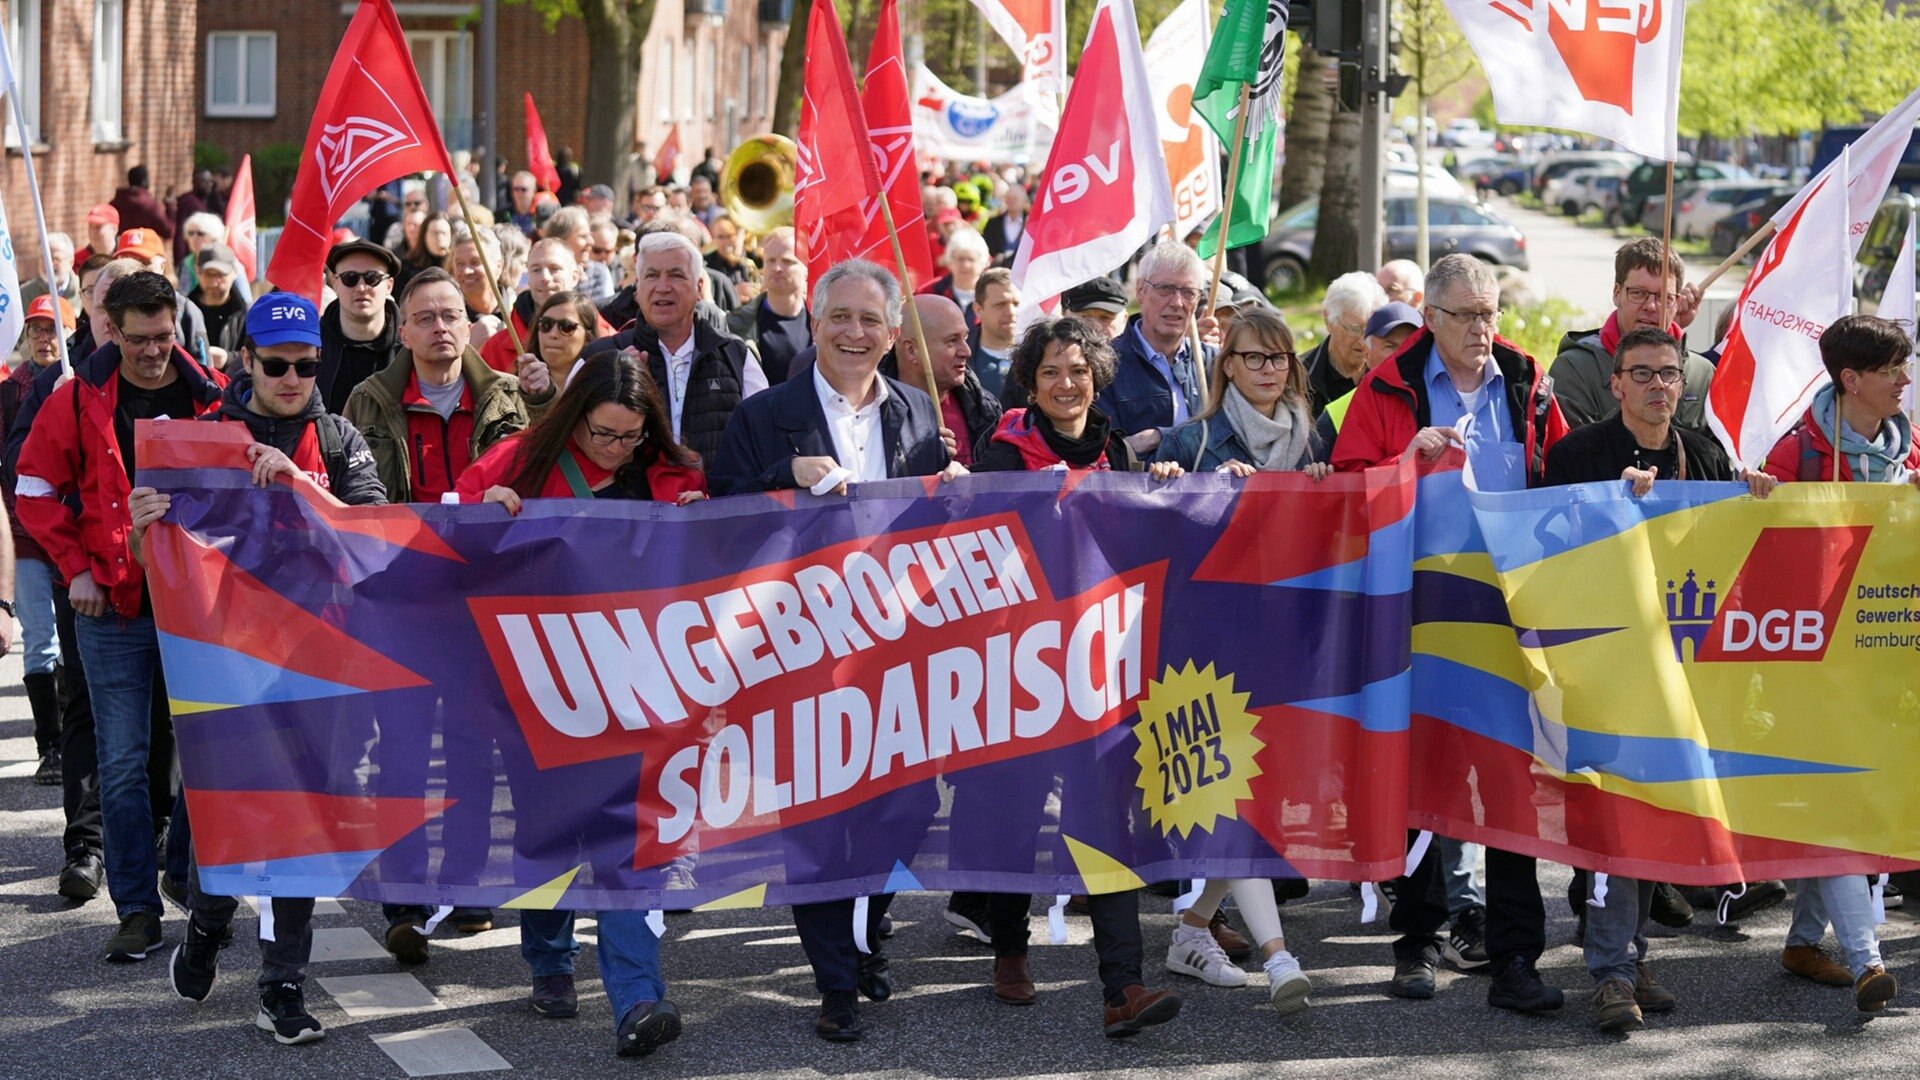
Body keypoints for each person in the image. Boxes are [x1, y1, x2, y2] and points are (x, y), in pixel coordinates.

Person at [711, 259, 962, 1040]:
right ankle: (836, 985)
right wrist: (783, 472)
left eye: (870, 321)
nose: (854, 333)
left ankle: (863, 926)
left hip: (896, 648)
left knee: (911, 803)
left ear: (893, 336)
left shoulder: (919, 412)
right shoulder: (768, 412)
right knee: (816, 821)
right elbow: (719, 503)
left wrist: (954, 488)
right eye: (839, 318)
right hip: (799, 650)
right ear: (813, 324)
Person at [144, 293, 385, 1045]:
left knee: (302, 828)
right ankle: (210, 924)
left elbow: (373, 538)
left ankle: (281, 985)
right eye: (276, 363)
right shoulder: (201, 438)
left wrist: (301, 485)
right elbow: (153, 561)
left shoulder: (339, 438)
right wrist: (141, 521)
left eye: (306, 364)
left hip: (322, 663)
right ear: (244, 359)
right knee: (225, 820)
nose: (291, 377)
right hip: (228, 663)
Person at [1331, 254, 1568, 1012]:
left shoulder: (1528, 384)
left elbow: (1560, 479)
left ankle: (1515, 960)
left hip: (1507, 625)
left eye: (1490, 312)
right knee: (1418, 784)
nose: (1481, 328)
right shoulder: (1385, 387)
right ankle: (1417, 941)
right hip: (1417, 621)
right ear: (1428, 318)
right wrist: (1404, 463)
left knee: (1511, 793)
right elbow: (1345, 491)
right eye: (1465, 314)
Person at [1539, 326, 1775, 1030]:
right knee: (1617, 824)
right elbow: (1547, 554)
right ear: (1615, 384)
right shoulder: (1577, 455)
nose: (1657, 386)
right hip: (1606, 670)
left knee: (1654, 825)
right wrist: (1611, 507)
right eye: (1641, 373)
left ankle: (1631, 956)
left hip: (1683, 674)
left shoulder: (1703, 454)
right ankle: (1611, 972)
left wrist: (1755, 498)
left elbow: (1731, 553)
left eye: (1669, 374)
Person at [959, 315, 1186, 1038]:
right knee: (1011, 816)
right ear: (1031, 381)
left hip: (1097, 670)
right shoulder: (1002, 455)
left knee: (1102, 821)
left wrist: (1159, 491)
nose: (1066, 384)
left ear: (1097, 377)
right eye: (1052, 371)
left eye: (1079, 371)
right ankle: (1009, 949)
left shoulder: (1115, 450)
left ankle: (1124, 984)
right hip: (1016, 670)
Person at [16, 270, 228, 962]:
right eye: (138, 339)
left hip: (195, 608)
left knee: (206, 754)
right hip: (109, 606)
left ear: (178, 325)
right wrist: (74, 567)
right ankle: (136, 908)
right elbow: (33, 490)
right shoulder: (74, 398)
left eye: (164, 337)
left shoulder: (211, 398)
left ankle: (181, 874)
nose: (152, 353)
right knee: (123, 763)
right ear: (111, 328)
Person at [1761, 314, 1916, 1012]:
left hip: (1887, 669)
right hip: (1816, 671)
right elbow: (1760, 567)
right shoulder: (1792, 455)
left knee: (1847, 806)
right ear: (1852, 379)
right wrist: (1759, 503)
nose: (1906, 381)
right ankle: (1865, 962)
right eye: (1893, 370)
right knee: (1839, 806)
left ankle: (1801, 942)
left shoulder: (1911, 457)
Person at [581, 233, 766, 466]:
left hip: (717, 500)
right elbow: (567, 442)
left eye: (676, 275)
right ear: (637, 288)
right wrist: (614, 384)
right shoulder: (600, 357)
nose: (663, 287)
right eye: (652, 275)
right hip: (629, 501)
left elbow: (765, 441)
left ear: (699, 287)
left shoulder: (735, 355)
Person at [4, 295, 74, 786]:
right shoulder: (9, 394)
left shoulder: (79, 383)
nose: (44, 339)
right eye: (36, 331)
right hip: (23, 532)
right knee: (40, 639)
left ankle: (75, 736)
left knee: (72, 641)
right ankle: (49, 746)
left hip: (70, 530)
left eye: (53, 330)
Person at [1552, 238, 1713, 431]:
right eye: (1638, 293)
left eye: (1664, 298)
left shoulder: (1701, 375)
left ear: (1677, 303)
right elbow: (1572, 453)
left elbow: (1718, 457)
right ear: (1617, 293)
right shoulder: (1576, 369)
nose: (1651, 306)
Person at [1155, 306, 1330, 482]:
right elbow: (1168, 508)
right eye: (1254, 357)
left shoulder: (1309, 441)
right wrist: (1213, 488)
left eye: (1278, 358)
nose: (1269, 369)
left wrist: (1322, 483)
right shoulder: (1187, 443)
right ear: (1228, 366)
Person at [1095, 241, 1215, 455]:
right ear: (1140, 290)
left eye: (1188, 292)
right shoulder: (1105, 364)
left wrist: (1158, 436)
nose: (1177, 302)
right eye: (1165, 289)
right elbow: (1105, 452)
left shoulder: (1212, 363)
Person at [880, 295, 1000, 467]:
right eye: (952, 341)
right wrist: (916, 456)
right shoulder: (872, 413)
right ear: (911, 350)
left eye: (965, 338)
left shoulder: (985, 409)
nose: (966, 351)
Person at [478, 237, 608, 373]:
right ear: (527, 277)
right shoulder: (497, 347)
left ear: (574, 277)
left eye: (555, 269)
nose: (545, 277)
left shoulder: (604, 337)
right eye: (536, 270)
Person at [1315, 301, 1423, 452]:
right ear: (1366, 353)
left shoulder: (1443, 398)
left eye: (1412, 344)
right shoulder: (1337, 415)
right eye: (1390, 346)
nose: (1403, 354)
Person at [320, 239, 406, 414]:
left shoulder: (411, 347)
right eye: (349, 278)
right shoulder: (312, 348)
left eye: (372, 278)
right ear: (335, 284)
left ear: (389, 286)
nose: (361, 287)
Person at [724, 226, 810, 383]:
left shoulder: (824, 324)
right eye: (770, 261)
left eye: (787, 261)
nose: (777, 268)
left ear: (806, 269)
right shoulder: (734, 325)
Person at [1304, 271, 1388, 417]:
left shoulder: (1387, 372)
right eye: (1354, 329)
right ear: (1329, 321)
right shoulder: (1300, 376)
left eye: (1370, 329)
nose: (1363, 340)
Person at [527, 291, 604, 391]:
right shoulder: (520, 387)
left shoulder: (603, 389)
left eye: (566, 327)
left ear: (588, 336)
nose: (553, 334)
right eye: (546, 324)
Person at [188, 243, 248, 367]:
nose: (214, 281)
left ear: (234, 272)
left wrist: (229, 359)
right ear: (197, 271)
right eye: (208, 274)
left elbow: (259, 357)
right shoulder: (184, 312)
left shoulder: (249, 315)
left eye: (221, 274)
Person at [920, 228, 988, 331]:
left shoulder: (992, 294)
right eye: (960, 259)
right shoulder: (929, 292)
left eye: (971, 259)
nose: (965, 265)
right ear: (950, 260)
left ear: (983, 263)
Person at [544, 206, 615, 307]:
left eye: (589, 235)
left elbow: (602, 316)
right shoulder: (542, 274)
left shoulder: (598, 273)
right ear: (561, 240)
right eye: (583, 236)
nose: (591, 242)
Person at [968, 268, 1021, 398]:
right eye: (1000, 305)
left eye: (1016, 304)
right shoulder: (961, 360)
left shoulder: (1039, 354)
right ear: (978, 309)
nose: (1011, 312)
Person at [109, 166, 173, 242]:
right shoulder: (150, 206)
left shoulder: (113, 206)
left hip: (121, 250)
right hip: (145, 251)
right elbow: (168, 231)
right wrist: (170, 206)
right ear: (144, 181)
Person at [398, 212, 452, 293]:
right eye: (435, 233)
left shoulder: (456, 269)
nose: (440, 238)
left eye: (444, 233)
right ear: (424, 235)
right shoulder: (406, 269)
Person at [22, 231, 78, 306]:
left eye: (55, 259)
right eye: (44, 258)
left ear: (71, 262)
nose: (49, 264)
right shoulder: (24, 294)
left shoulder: (84, 290)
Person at [980, 183, 1029, 263]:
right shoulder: (993, 223)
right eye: (1009, 198)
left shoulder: (1030, 223)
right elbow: (986, 244)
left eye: (1015, 198)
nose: (1012, 201)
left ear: (1023, 201)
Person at [508, 171, 541, 236]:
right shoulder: (503, 214)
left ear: (534, 190)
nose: (519, 193)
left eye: (523, 189)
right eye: (516, 189)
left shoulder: (541, 214)